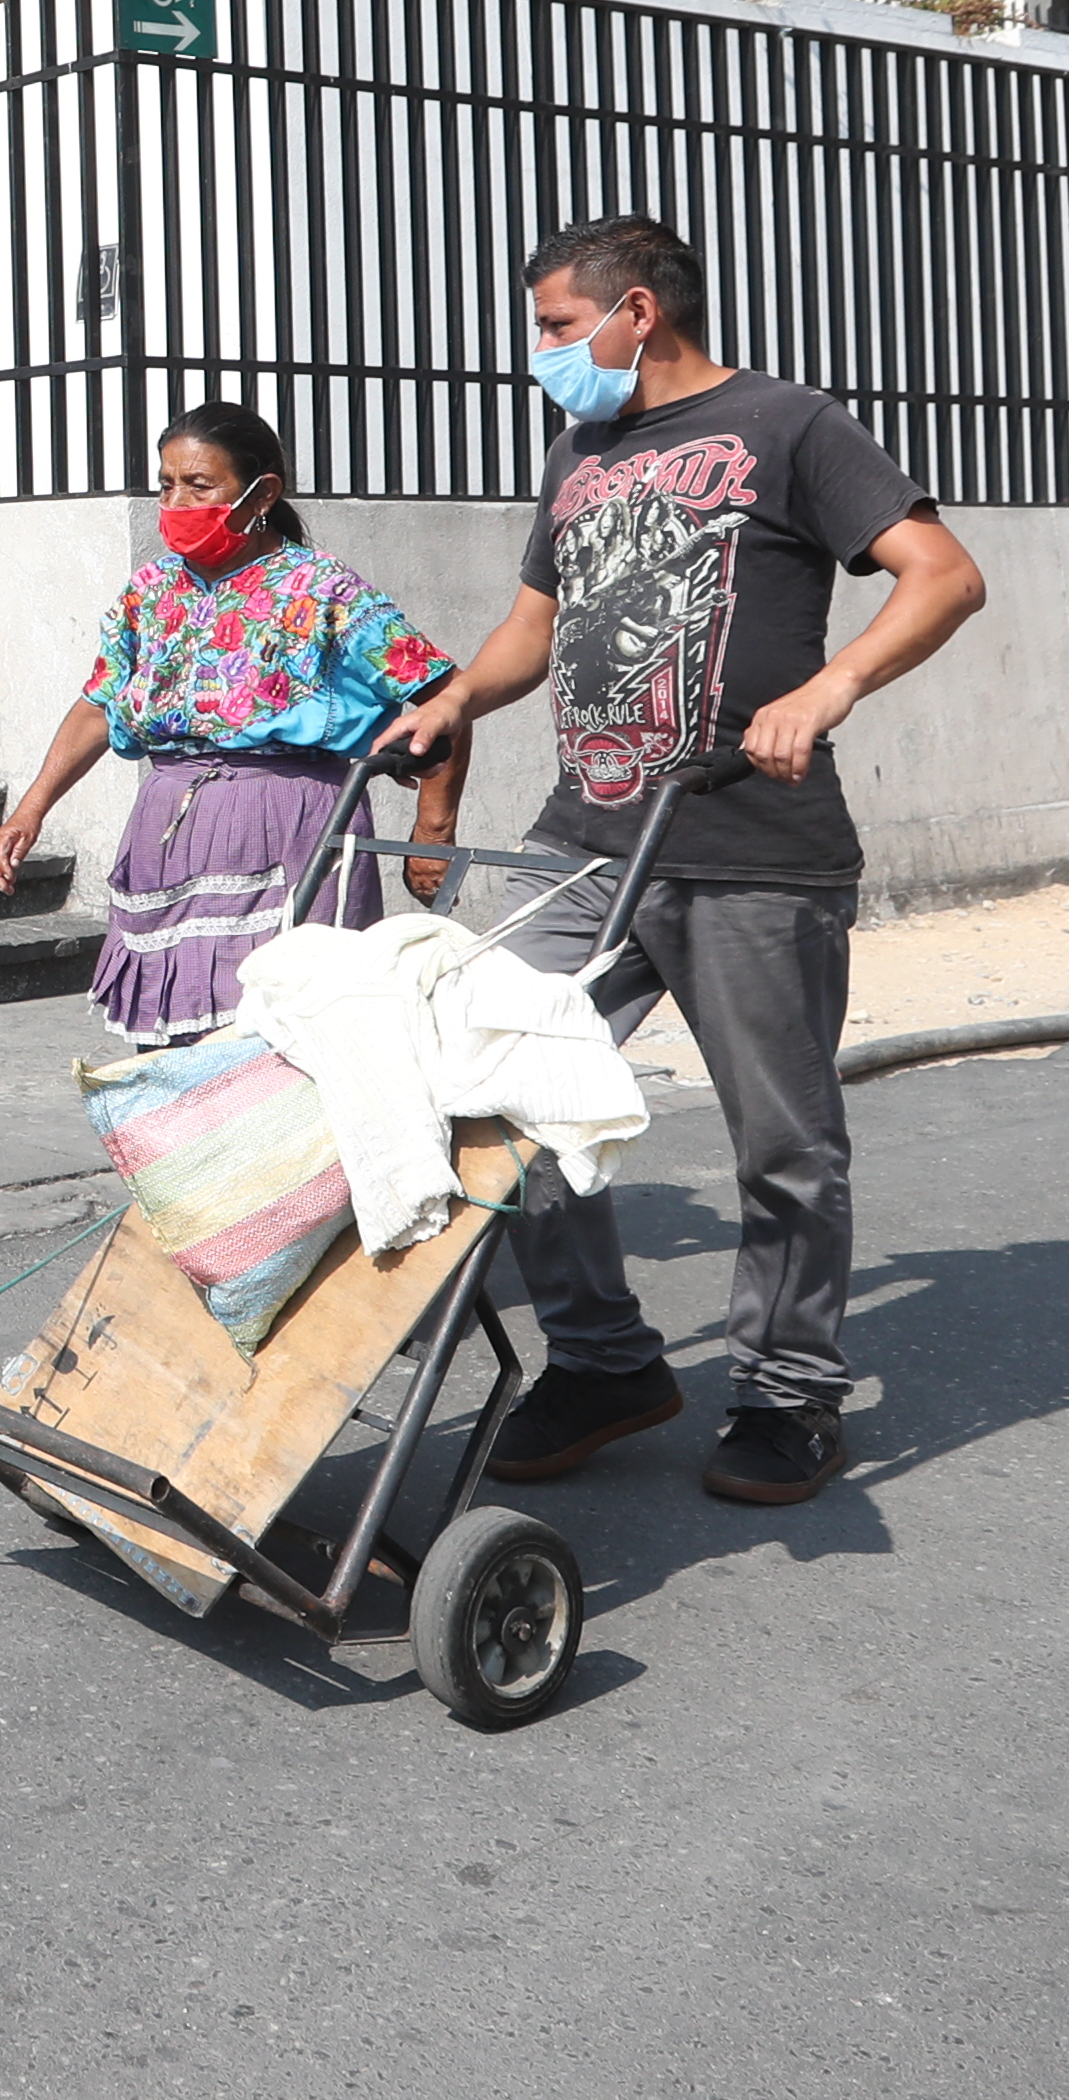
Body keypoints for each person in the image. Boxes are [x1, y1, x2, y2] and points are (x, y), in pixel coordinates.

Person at [376, 213, 989, 1509]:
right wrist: (452, 702)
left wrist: (828, 692)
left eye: (555, 327)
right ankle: (604, 1361)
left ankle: (788, 1389)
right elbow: (532, 627)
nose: (544, 352)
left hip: (752, 852)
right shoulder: (581, 450)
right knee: (493, 1075)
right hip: (585, 842)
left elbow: (941, 575)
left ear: (635, 312)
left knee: (782, 1145)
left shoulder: (789, 425)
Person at [0, 403, 467, 1038]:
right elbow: (100, 703)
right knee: (171, 1040)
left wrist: (432, 833)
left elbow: (444, 693)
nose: (178, 501)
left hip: (291, 829)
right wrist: (30, 809)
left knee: (289, 1032)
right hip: (166, 833)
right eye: (166, 484)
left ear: (262, 492)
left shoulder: (323, 590)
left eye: (200, 485)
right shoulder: (150, 593)